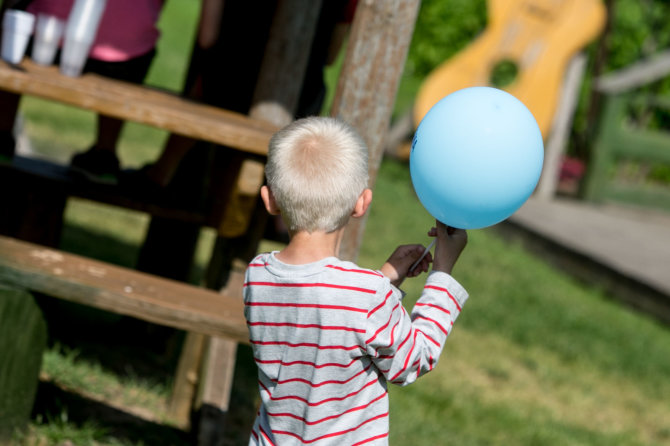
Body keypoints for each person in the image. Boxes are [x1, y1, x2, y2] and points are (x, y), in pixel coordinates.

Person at [243, 116, 469, 445]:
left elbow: (323, 311)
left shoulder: (257, 275)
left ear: (270, 199)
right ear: (361, 203)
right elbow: (412, 361)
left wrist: (387, 278)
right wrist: (442, 272)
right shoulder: (366, 296)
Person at [0, 0, 163, 184]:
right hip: (125, 54)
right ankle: (105, 152)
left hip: (46, 32)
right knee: (136, 26)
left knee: (13, 17)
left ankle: (2, 130)